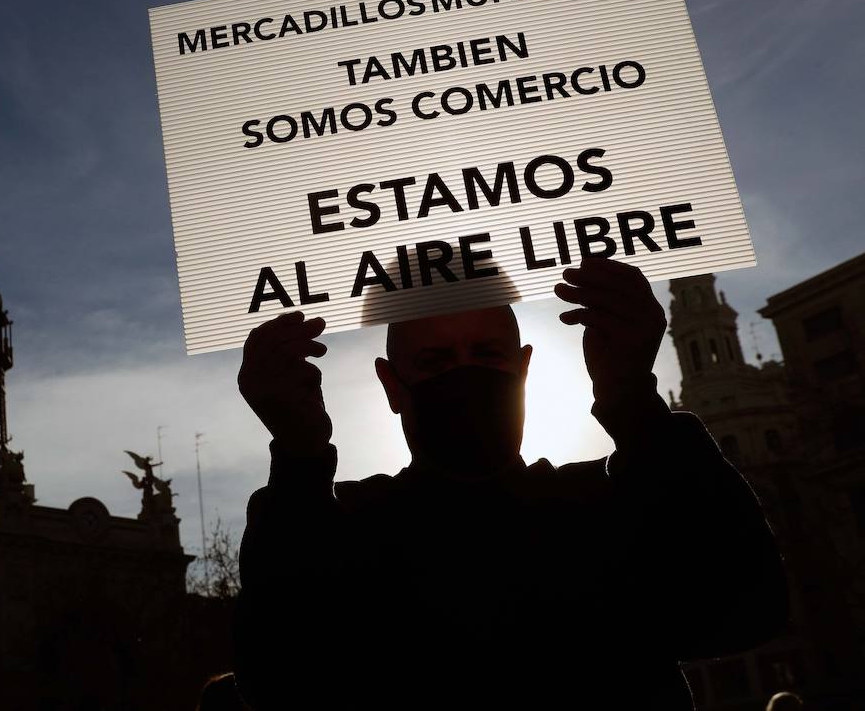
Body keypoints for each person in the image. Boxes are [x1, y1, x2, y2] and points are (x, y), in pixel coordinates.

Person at [232, 256, 789, 709]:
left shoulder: (607, 505)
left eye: (485, 355)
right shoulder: (346, 529)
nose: (465, 376)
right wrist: (299, 456)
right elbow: (281, 677)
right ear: (392, 385)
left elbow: (743, 605)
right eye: (435, 361)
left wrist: (634, 401)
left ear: (523, 370)